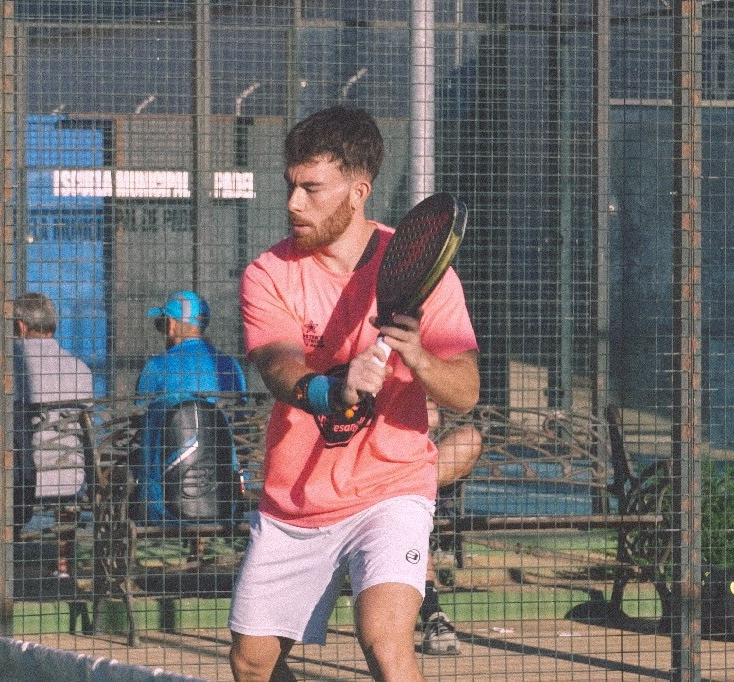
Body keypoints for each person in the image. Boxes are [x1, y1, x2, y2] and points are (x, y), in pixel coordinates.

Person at [228, 106, 480, 682]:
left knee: (385, 642)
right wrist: (332, 389)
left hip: (392, 488)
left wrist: (419, 357)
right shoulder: (267, 273)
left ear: (358, 191)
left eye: (312, 188)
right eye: (290, 186)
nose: (294, 203)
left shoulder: (423, 269)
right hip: (296, 500)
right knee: (252, 663)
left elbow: (465, 391)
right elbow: (277, 365)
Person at [134, 290, 248, 526]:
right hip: (223, 489)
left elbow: (137, 425)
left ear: (172, 325)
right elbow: (241, 425)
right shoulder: (230, 367)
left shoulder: (157, 366)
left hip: (165, 498)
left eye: (161, 323)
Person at [13, 292, 94, 579]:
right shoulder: (80, 369)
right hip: (69, 477)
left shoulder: (6, 369)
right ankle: (63, 565)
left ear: (20, 326)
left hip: (18, 479)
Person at [420, 400, 483, 655]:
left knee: (469, 438)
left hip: (414, 477)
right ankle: (431, 611)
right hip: (364, 472)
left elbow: (433, 417)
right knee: (405, 515)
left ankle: (406, 486)